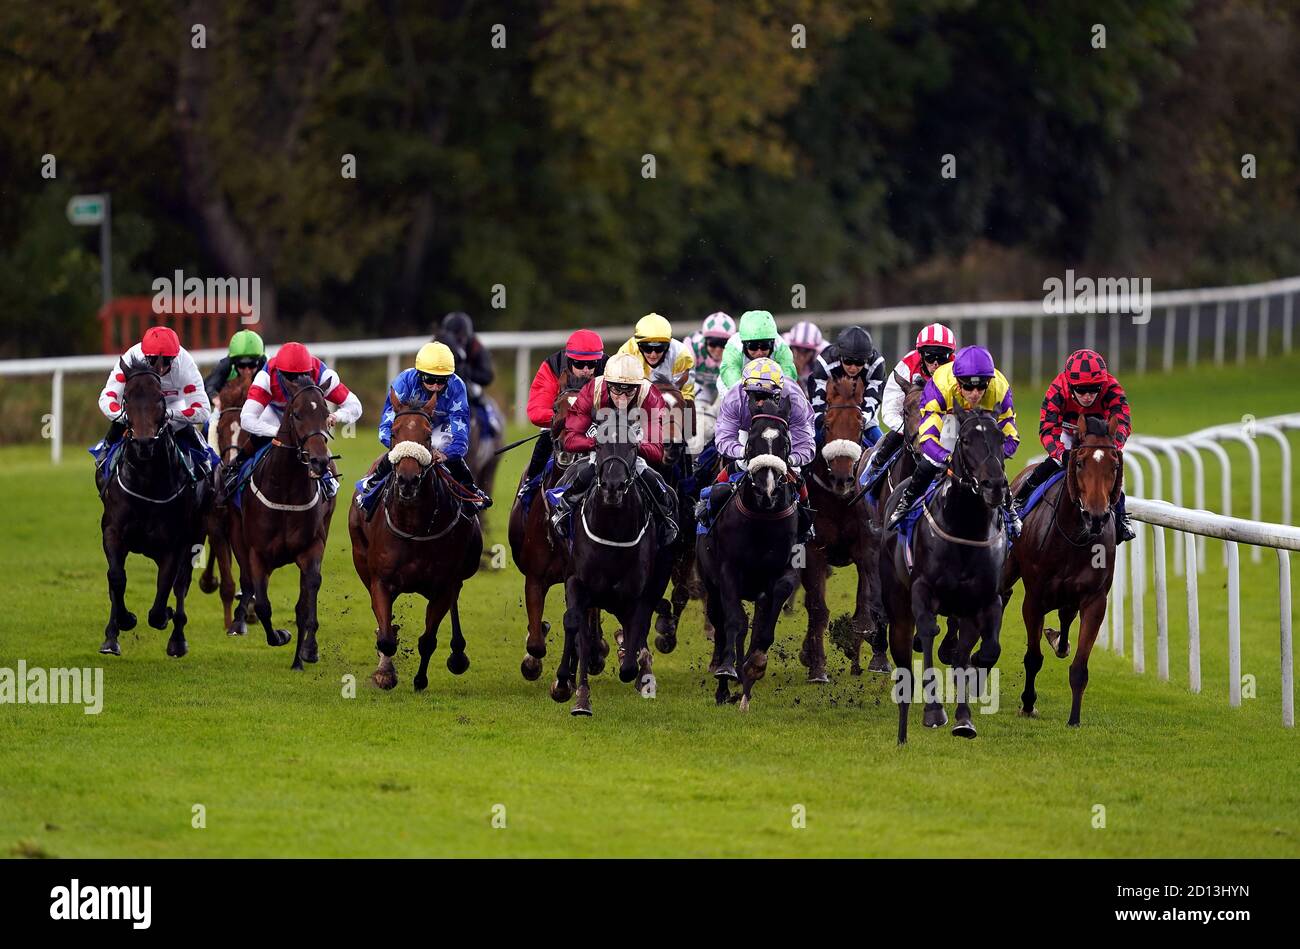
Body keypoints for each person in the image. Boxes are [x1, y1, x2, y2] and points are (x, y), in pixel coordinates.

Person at [548, 352, 679, 545]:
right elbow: (570, 439)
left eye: (629, 391)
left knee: (650, 475)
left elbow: (657, 451)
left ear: (639, 387)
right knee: (584, 468)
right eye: (617, 391)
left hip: (632, 443)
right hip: (600, 440)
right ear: (607, 384)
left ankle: (667, 516)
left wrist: (631, 444)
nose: (623, 398)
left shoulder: (650, 395)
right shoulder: (593, 389)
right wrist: (598, 443)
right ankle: (563, 507)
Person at [886, 345, 1019, 532]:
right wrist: (945, 458)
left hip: (982, 417)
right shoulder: (940, 385)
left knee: (992, 464)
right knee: (932, 461)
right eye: (968, 386)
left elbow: (1012, 435)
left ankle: (1010, 511)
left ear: (989, 382)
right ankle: (905, 503)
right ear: (957, 383)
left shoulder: (1000, 387)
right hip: (946, 413)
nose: (975, 393)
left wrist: (993, 456)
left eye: (981, 386)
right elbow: (928, 437)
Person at [1012, 348, 1136, 542]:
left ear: (1102, 385)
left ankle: (1121, 518)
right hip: (1068, 432)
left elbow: (1123, 421)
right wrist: (1061, 453)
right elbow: (1047, 428)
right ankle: (1020, 501)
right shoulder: (1057, 389)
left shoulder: (1111, 387)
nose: (1087, 396)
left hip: (1100, 436)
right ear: (1070, 386)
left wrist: (1112, 446)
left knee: (1111, 468)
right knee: (1054, 463)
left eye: (1093, 390)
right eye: (1081, 390)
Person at [356, 342, 490, 515]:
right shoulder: (404, 382)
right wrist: (403, 447)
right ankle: (373, 484)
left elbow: (461, 434)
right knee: (403, 449)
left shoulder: (457, 386)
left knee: (445, 446)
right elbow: (386, 428)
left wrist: (446, 454)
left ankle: (469, 490)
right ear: (420, 374)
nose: (435, 386)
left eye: (442, 381)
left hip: (442, 427)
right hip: (411, 428)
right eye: (430, 379)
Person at [221, 341, 362, 498]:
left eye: (303, 375)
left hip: (306, 417)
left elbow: (355, 406)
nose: (296, 380)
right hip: (274, 414)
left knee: (315, 438)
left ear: (310, 370)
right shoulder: (266, 377)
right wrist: (279, 432)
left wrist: (336, 416)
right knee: (261, 432)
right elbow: (247, 419)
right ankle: (236, 467)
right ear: (279, 373)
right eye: (290, 376)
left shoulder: (322, 375)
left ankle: (326, 475)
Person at [704, 357, 817, 544]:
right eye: (754, 395)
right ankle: (707, 506)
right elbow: (723, 439)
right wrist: (744, 452)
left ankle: (806, 525)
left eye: (766, 396)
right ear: (745, 390)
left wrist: (790, 460)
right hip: (748, 431)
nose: (759, 403)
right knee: (740, 464)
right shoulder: (735, 398)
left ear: (779, 394)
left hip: (783, 430)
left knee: (795, 474)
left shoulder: (794, 398)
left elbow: (806, 444)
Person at [94, 325, 213, 478]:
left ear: (175, 357)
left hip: (172, 405)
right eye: (154, 360)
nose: (161, 368)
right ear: (145, 355)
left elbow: (203, 410)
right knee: (118, 427)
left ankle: (205, 461)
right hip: (138, 408)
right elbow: (107, 398)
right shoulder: (130, 359)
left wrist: (169, 413)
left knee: (187, 432)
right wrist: (128, 417)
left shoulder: (186, 364)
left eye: (167, 361)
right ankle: (105, 454)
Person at [859, 322, 957, 493]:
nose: (935, 363)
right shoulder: (907, 366)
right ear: (921, 354)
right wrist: (909, 430)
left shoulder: (959, 369)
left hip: (947, 423)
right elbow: (890, 406)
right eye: (930, 356)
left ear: (950, 356)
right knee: (896, 435)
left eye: (942, 357)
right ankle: (875, 467)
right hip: (913, 422)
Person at [521, 329, 606, 483]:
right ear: (570, 359)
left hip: (600, 426)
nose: (586, 370)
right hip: (561, 426)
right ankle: (529, 486)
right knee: (544, 439)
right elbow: (535, 412)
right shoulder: (552, 367)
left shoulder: (611, 368)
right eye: (580, 364)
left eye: (592, 363)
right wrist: (565, 418)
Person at [806, 326, 887, 446]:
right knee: (810, 444)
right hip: (831, 409)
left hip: (861, 408)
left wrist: (861, 419)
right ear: (840, 356)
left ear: (867, 359)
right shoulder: (824, 362)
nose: (853, 368)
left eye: (859, 362)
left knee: (882, 447)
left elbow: (872, 399)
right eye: (848, 361)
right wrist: (825, 421)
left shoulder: (877, 364)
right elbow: (817, 402)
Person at [437, 311, 500, 438]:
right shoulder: (438, 345)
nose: (456, 341)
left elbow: (487, 375)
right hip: (443, 383)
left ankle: (490, 422)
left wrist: (467, 372)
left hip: (469, 384)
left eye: (459, 336)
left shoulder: (476, 347)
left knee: (474, 391)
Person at [717, 309, 797, 399]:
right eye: (753, 346)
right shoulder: (734, 348)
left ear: (773, 342)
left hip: (770, 385)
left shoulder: (781, 347)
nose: (759, 352)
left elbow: (789, 378)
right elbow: (731, 376)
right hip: (737, 383)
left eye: (765, 345)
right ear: (743, 343)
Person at [617, 312, 696, 400]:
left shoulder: (681, 356)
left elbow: (686, 396)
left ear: (668, 345)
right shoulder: (625, 354)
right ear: (638, 345)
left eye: (659, 348)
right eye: (647, 348)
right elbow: (618, 391)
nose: (653, 355)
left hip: (669, 400)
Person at [686, 311, 735, 410]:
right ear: (705, 341)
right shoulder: (693, 348)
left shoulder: (736, 352)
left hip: (726, 391)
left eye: (723, 344)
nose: (718, 349)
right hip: (700, 388)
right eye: (713, 343)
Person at [203, 329, 267, 401]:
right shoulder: (226, 365)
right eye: (242, 365)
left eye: (252, 365)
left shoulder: (267, 366)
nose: (247, 371)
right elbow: (209, 386)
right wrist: (218, 403)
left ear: (260, 361)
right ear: (234, 362)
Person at [783, 320, 826, 387]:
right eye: (797, 348)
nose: (801, 356)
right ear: (791, 347)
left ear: (815, 351)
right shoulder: (781, 352)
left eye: (807, 350)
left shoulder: (824, 357)